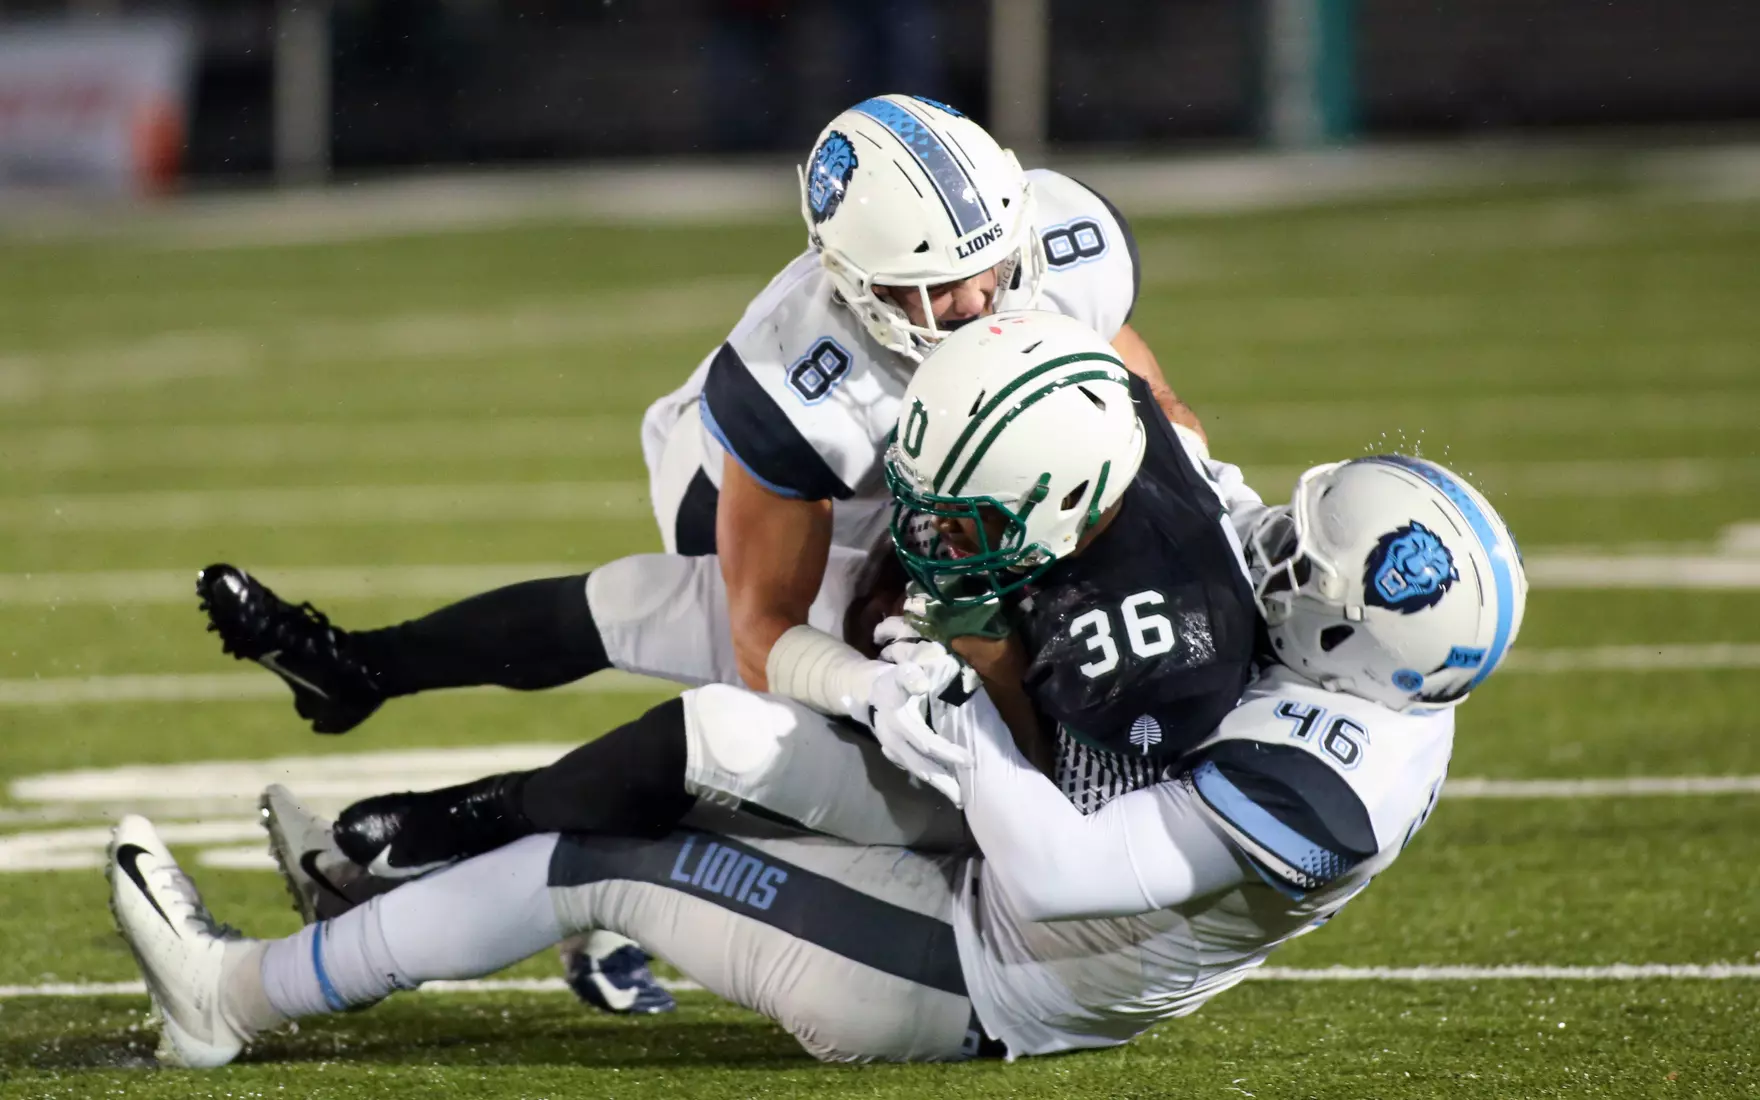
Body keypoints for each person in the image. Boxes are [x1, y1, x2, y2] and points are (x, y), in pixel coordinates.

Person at [109, 316, 1528, 1067]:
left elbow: (1080, 870)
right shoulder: (1345, 658)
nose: (1283, 534)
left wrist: (963, 730)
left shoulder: (1323, 783)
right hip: (1021, 824)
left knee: (596, 865)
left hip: (993, 967)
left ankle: (233, 999)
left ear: (1348, 647)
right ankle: (382, 855)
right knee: (715, 739)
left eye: (1307, 555)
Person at [195, 95, 1197, 1013]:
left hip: (960, 513)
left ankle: (375, 703)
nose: (983, 298)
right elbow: (762, 634)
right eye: (935, 285)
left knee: (777, 686)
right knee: (717, 672)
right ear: (855, 283)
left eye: (993, 262)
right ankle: (456, 787)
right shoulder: (799, 386)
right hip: (809, 503)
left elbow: (1152, 419)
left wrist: (1202, 499)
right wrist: (869, 683)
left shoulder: (1060, 252)